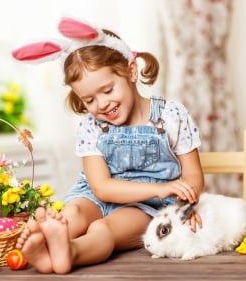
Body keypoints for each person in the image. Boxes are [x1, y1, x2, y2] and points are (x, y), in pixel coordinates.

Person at [12, 17, 204, 274]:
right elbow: (101, 187)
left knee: (103, 229)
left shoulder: (170, 115)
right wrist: (163, 188)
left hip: (145, 206)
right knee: (74, 212)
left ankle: (70, 252)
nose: (101, 104)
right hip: (95, 195)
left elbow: (192, 175)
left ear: (131, 71)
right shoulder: (91, 126)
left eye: (107, 90)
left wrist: (181, 205)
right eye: (89, 99)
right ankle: (46, 243)